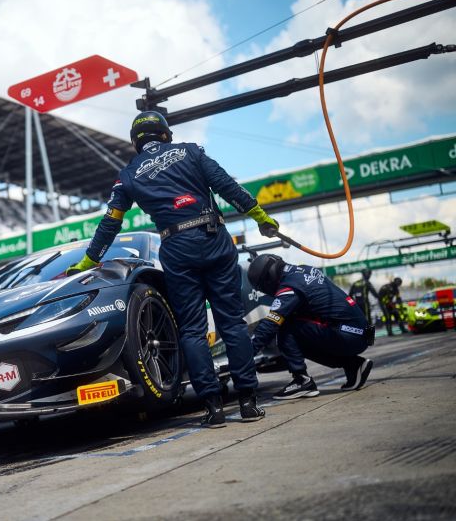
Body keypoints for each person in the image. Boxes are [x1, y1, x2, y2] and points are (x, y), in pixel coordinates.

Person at [66, 111, 279, 427]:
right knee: (232, 323)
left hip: (177, 249)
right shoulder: (192, 151)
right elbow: (225, 185)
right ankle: (247, 402)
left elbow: (111, 221)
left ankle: (213, 409)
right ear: (165, 134)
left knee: (192, 330)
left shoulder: (126, 175)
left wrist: (90, 260)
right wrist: (260, 216)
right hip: (214, 238)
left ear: (137, 142)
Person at [247, 254, 375, 400]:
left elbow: (270, 324)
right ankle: (353, 365)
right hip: (357, 333)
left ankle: (302, 380)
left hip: (348, 335)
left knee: (285, 325)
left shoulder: (290, 286)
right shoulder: (303, 270)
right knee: (296, 329)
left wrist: (246, 354)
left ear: (267, 279)